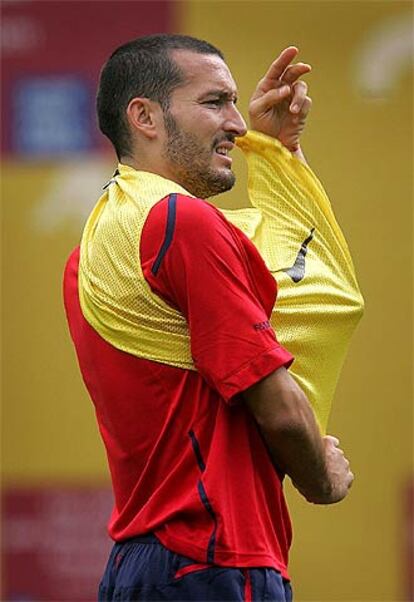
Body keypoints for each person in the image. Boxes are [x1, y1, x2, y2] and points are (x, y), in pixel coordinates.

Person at [63, 34, 364, 602]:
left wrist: (277, 153)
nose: (237, 124)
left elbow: (275, 282)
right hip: (214, 557)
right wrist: (321, 475)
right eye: (214, 103)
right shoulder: (184, 224)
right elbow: (275, 406)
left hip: (138, 565)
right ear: (145, 116)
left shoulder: (95, 250)